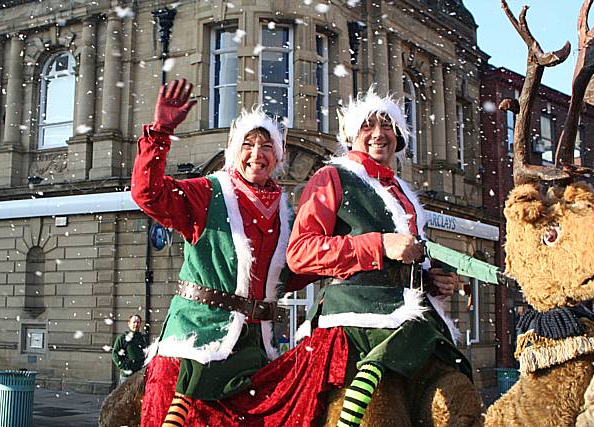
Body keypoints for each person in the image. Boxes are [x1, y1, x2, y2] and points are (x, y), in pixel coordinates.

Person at [286, 88, 473, 426]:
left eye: (386, 125)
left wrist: (432, 280)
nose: (378, 133)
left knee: (458, 406)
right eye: (367, 126)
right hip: (359, 325)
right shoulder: (331, 177)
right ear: (351, 136)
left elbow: (404, 259)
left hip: (417, 324)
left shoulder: (402, 191)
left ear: (398, 135)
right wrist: (379, 245)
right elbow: (301, 254)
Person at [131, 79, 309, 427]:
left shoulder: (285, 213)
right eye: (248, 144)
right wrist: (160, 133)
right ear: (234, 152)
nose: (257, 154)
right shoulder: (209, 193)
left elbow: (292, 272)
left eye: (266, 146)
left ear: (278, 156)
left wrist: (354, 259)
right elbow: (147, 194)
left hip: (255, 350)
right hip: (195, 342)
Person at [111, 314, 148, 384]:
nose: (136, 324)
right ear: (129, 323)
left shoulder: (142, 338)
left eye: (138, 322)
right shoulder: (122, 338)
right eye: (134, 322)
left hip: (139, 374)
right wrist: (125, 366)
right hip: (127, 376)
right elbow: (115, 354)